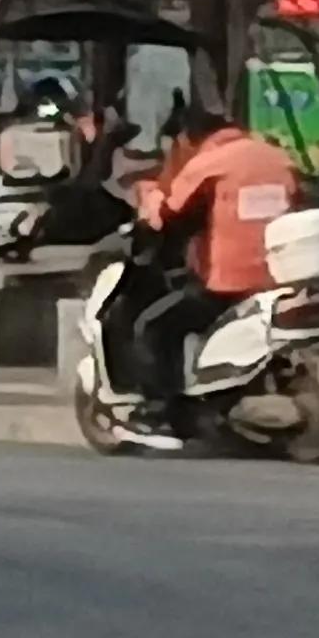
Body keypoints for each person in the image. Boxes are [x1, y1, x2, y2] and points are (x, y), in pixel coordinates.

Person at [112, 95, 301, 407]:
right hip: (282, 279)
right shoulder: (278, 158)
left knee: (155, 328)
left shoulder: (208, 164)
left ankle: (167, 411)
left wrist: (149, 218)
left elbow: (171, 217)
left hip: (228, 285)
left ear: (190, 137)